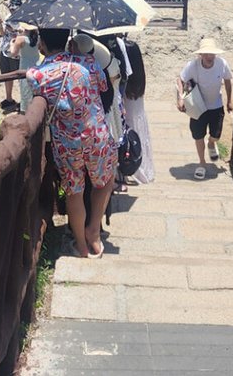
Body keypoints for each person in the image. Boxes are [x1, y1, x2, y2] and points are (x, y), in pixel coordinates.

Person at [27, 28, 115, 258]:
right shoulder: (88, 63)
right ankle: (93, 230)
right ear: (67, 39)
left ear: (42, 43)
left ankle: (82, 247)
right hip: (96, 133)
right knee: (105, 179)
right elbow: (103, 87)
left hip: (67, 142)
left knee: (74, 193)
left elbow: (36, 96)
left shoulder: (37, 74)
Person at [176, 37, 233, 179]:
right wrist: (180, 98)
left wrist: (230, 100)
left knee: (216, 134)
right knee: (198, 135)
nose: (209, 57)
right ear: (201, 55)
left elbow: (227, 80)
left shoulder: (222, 64)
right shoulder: (193, 66)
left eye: (211, 54)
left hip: (216, 104)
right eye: (206, 54)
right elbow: (180, 79)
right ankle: (202, 163)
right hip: (198, 105)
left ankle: (212, 143)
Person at [113, 35, 153, 184]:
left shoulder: (126, 85)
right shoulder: (138, 81)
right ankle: (141, 165)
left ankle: (129, 168)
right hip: (136, 103)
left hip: (127, 107)